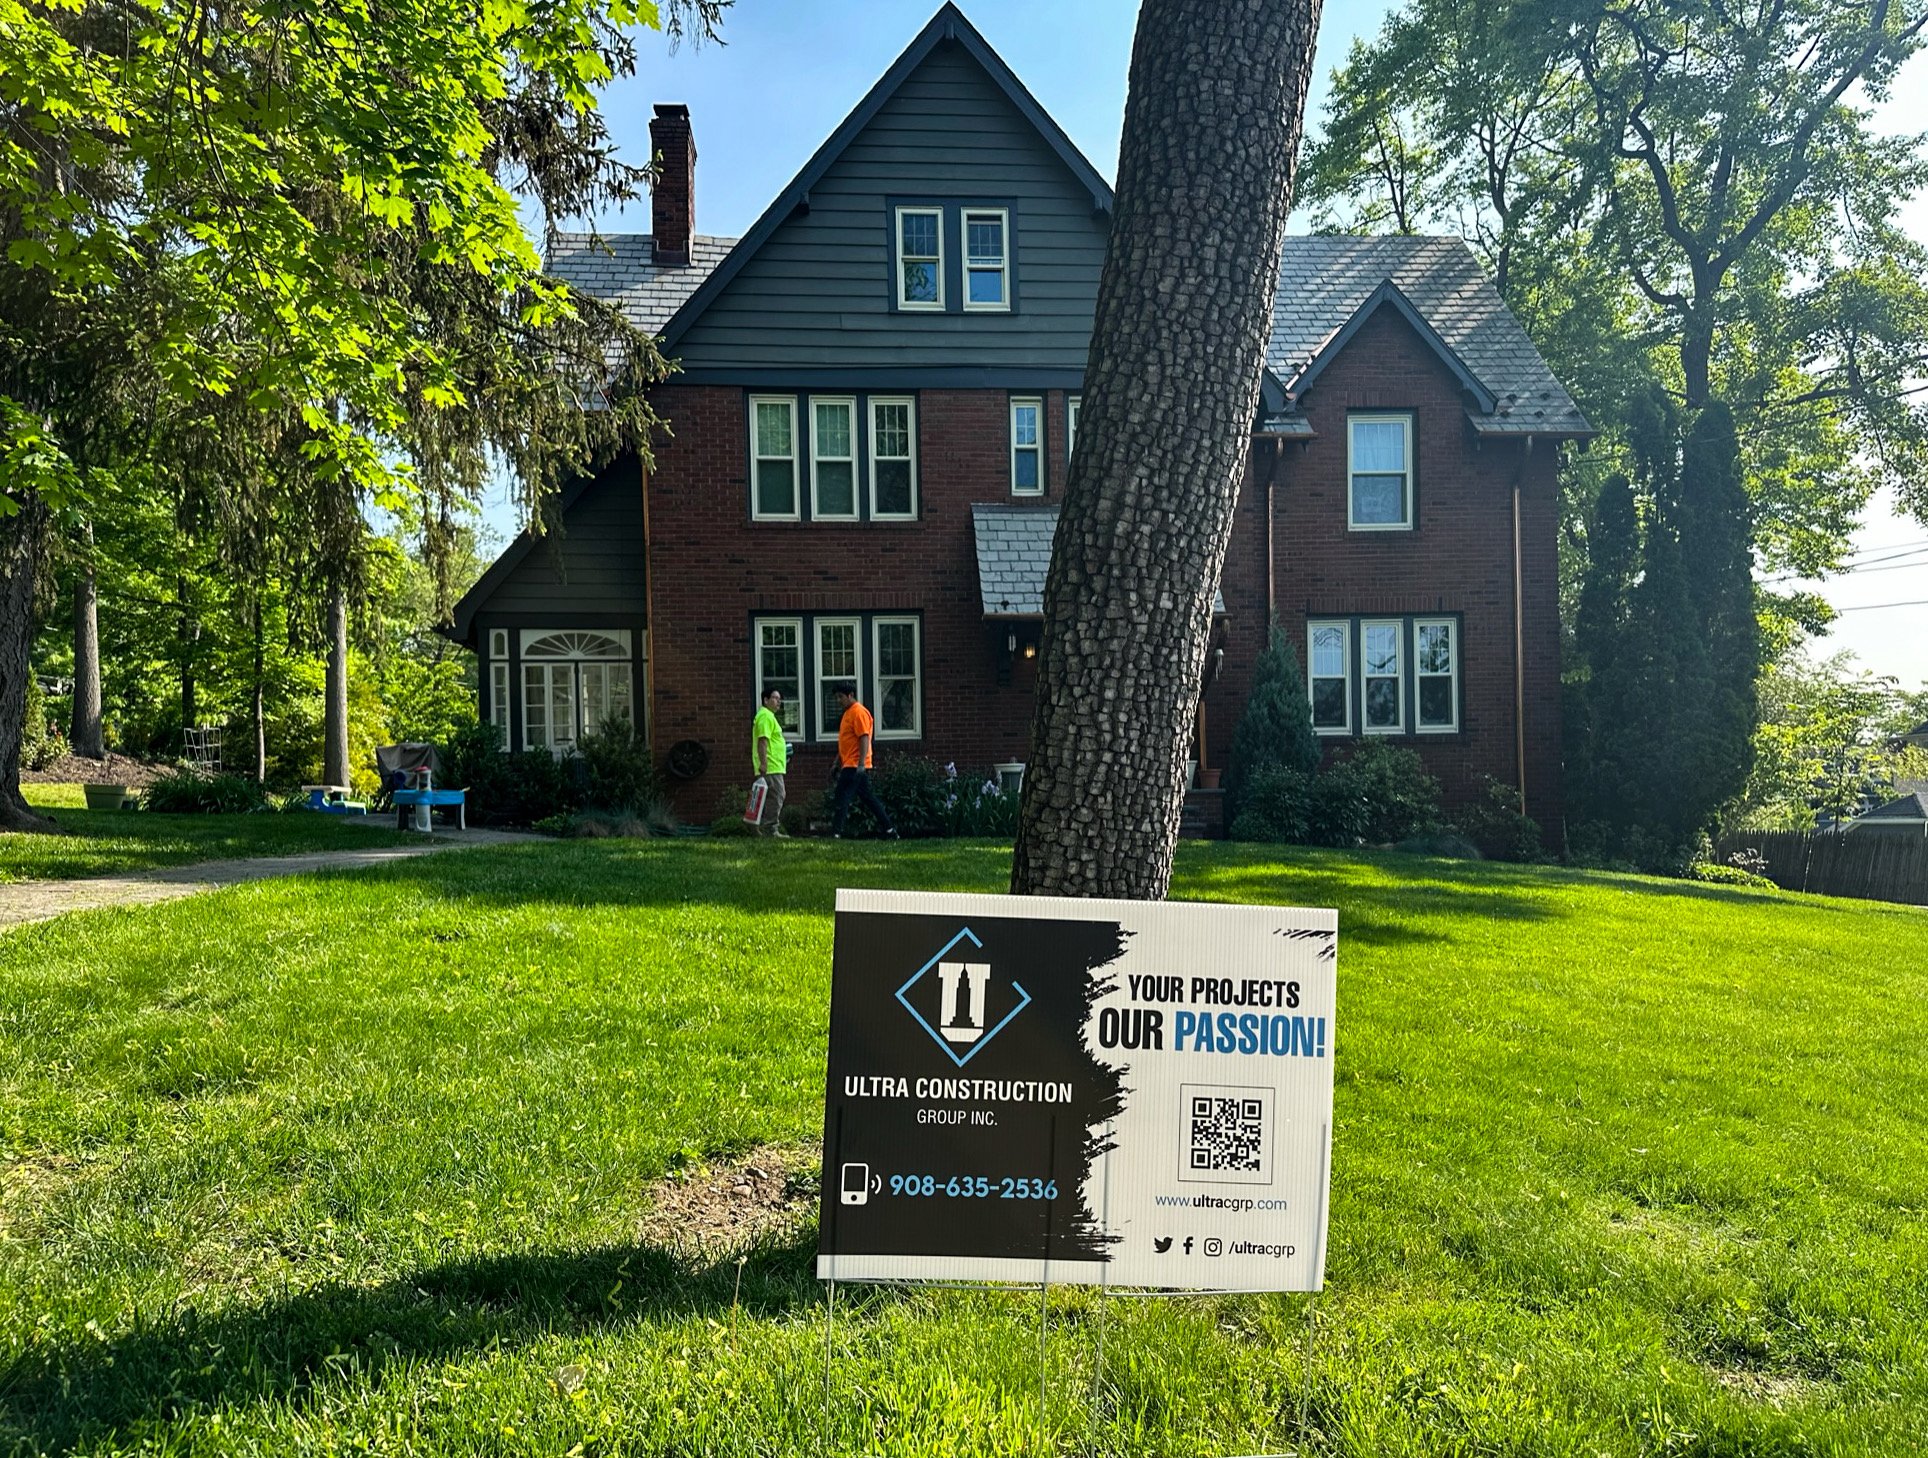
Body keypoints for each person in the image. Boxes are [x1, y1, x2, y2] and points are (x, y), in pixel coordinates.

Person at [829, 682, 898, 839]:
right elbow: (845, 741)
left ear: (850, 695)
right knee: (868, 798)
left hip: (855, 765)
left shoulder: (859, 712)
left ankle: (836, 832)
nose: (838, 700)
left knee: (842, 796)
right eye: (836, 697)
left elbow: (864, 738)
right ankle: (889, 830)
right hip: (849, 763)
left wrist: (861, 764)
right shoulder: (847, 714)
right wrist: (837, 762)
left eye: (840, 697)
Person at [751, 687, 789, 837]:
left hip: (774, 765)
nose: (778, 702)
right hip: (770, 766)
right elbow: (762, 741)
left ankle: (758, 825)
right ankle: (770, 829)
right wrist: (764, 763)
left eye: (779, 699)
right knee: (778, 795)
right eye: (774, 698)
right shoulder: (765, 716)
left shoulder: (768, 716)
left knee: (769, 796)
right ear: (766, 700)